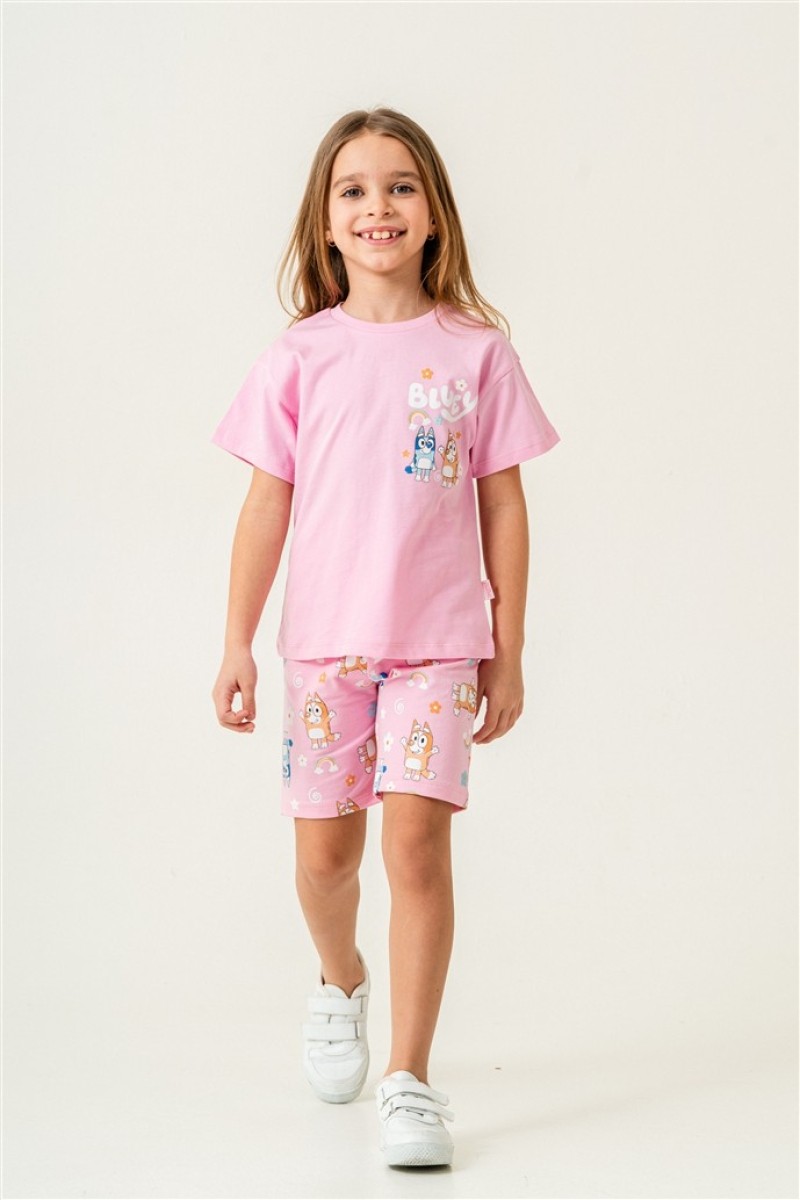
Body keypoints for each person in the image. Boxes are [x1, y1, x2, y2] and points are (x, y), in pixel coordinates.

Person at [210, 106, 561, 1170]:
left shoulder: (475, 354)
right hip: (324, 646)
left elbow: (503, 504)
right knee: (325, 859)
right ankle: (340, 980)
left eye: (400, 186)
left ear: (434, 211)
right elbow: (265, 505)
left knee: (415, 848)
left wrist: (507, 643)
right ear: (325, 222)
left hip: (440, 645)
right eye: (354, 190)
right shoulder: (299, 356)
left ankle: (409, 1077)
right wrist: (236, 641)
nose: (378, 207)